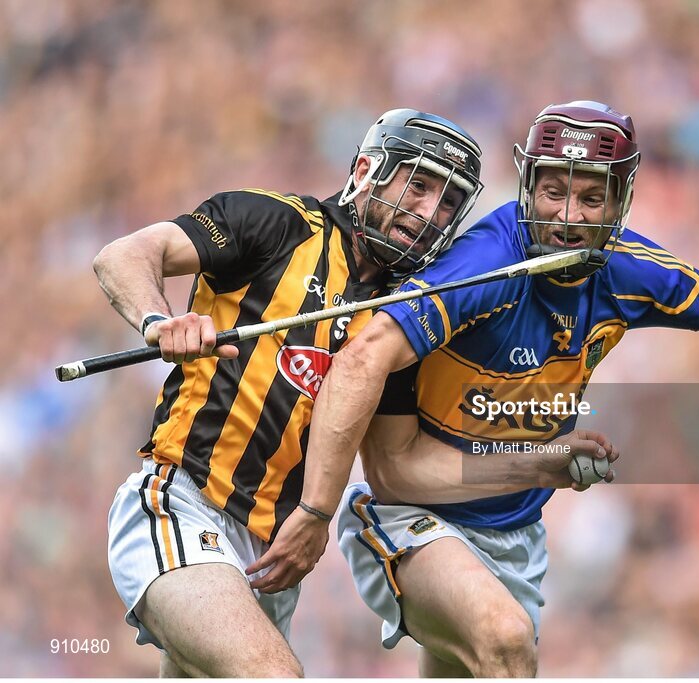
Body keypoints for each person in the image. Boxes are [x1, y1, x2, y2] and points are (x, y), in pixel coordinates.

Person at [269, 100, 699, 677]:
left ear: (621, 201)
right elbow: (364, 364)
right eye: (552, 189)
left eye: (589, 195)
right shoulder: (481, 265)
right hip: (409, 514)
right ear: (528, 184)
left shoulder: (632, 270)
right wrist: (317, 509)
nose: (568, 214)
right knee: (506, 642)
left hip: (513, 530)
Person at [96, 108, 485, 677]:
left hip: (276, 560)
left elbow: (396, 466)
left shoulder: (404, 318)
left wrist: (530, 464)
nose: (427, 212)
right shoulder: (277, 223)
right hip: (181, 505)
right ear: (366, 170)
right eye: (418, 185)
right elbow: (125, 255)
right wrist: (158, 321)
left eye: (447, 201)